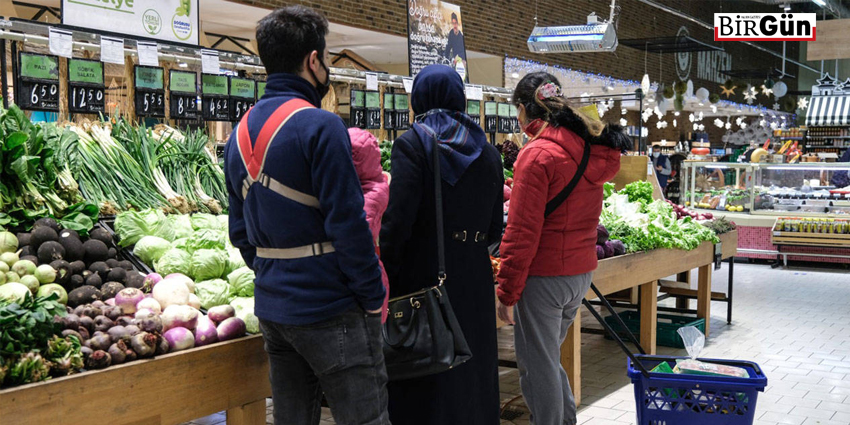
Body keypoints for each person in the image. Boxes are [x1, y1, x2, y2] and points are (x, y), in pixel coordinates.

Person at [224, 6, 389, 425]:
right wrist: (371, 297)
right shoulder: (321, 126)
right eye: (327, 57)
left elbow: (240, 233)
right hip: (331, 309)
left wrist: (276, 275)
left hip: (274, 311)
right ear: (313, 60)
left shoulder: (237, 134)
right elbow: (349, 224)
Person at [496, 72, 631, 425]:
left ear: (526, 110)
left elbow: (522, 230)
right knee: (546, 359)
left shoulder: (537, 154)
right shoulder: (587, 146)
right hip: (579, 273)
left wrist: (506, 291)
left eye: (518, 110)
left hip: (545, 276)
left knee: (536, 367)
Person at [379, 64, 503, 425]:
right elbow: (496, 227)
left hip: (425, 275)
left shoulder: (414, 143)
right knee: (473, 373)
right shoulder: (488, 151)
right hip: (475, 277)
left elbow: (397, 222)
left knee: (427, 371)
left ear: (419, 98)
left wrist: (386, 275)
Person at [348, 127, 391, 322]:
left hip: (367, 281)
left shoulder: (371, 194)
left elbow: (357, 240)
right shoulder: (377, 184)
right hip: (367, 278)